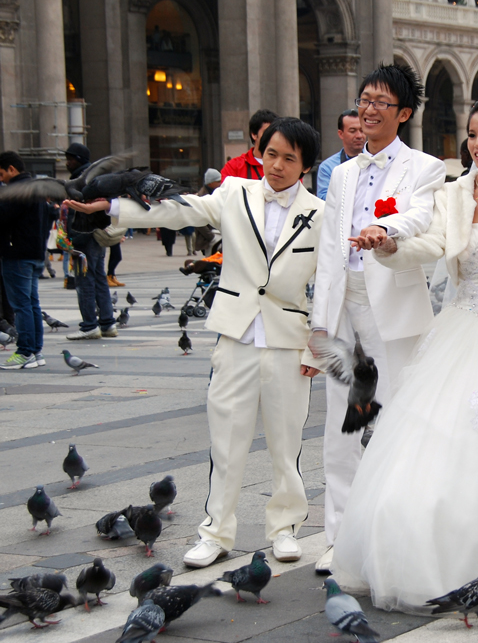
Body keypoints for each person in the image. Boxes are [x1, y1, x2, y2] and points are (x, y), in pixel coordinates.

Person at [66, 117, 324, 568]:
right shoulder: (233, 193)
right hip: (236, 336)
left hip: (288, 342)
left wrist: (315, 347)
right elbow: (179, 209)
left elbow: (328, 285)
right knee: (226, 443)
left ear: (304, 166)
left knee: (287, 444)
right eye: (271, 154)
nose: (277, 165)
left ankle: (284, 529)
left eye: (289, 158)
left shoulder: (319, 214)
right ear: (259, 153)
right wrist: (113, 210)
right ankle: (216, 532)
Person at [327, 94, 478, 612]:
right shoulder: (455, 192)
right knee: (428, 437)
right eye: (473, 134)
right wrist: (391, 248)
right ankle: (415, 552)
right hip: (460, 325)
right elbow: (434, 242)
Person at [309, 63, 446, 575]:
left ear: (404, 113)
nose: (367, 109)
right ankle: (338, 537)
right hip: (344, 307)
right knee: (341, 426)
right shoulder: (342, 173)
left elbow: (420, 216)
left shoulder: (425, 167)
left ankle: (392, 532)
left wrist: (384, 230)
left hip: (392, 311)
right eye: (364, 99)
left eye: (380, 103)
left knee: (392, 421)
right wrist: (319, 325)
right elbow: (327, 251)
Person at [0, 152, 55, 370]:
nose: (1, 178)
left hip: (17, 255)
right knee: (31, 304)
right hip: (34, 254)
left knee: (21, 305)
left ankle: (24, 352)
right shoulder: (36, 189)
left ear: (12, 169)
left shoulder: (17, 191)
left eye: (2, 173)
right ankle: (35, 351)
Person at [64, 143, 116, 341]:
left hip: (82, 238)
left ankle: (89, 325)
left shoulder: (79, 181)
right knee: (99, 278)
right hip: (97, 237)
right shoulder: (95, 179)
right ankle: (107, 323)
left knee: (83, 281)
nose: (67, 162)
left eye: (70, 158)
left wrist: (73, 238)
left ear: (78, 159)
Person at [315, 109, 365, 200]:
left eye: (362, 130)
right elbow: (324, 199)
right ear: (341, 134)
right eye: (353, 131)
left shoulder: (376, 160)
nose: (359, 136)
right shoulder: (327, 167)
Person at [220, 109, 279, 181]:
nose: (272, 137)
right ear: (254, 134)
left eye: (275, 133)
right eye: (267, 132)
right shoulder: (234, 168)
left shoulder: (287, 165)